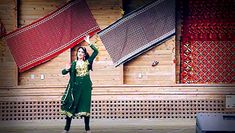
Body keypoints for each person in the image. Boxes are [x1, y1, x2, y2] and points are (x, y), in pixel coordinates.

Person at [60, 35, 98, 133]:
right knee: (72, 106)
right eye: (79, 52)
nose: (80, 53)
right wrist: (66, 69)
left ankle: (87, 128)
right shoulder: (73, 64)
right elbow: (63, 73)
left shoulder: (88, 62)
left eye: (82, 52)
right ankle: (66, 128)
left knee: (86, 107)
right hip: (75, 88)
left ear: (84, 54)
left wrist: (89, 42)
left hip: (86, 88)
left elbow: (96, 52)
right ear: (77, 54)